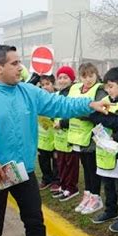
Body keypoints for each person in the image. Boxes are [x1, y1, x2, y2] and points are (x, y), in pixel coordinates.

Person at [0, 45, 109, 236]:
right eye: (13, 63)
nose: (20, 67)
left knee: (34, 220)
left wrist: (91, 104)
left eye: (19, 62)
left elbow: (60, 105)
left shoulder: (29, 92)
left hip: (23, 171)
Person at [89, 67, 118, 232]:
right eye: (106, 87)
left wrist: (97, 115)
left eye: (110, 86)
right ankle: (110, 210)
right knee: (107, 182)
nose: (108, 90)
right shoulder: (108, 99)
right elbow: (98, 117)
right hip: (105, 149)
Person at [68, 63, 107, 210]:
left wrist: (77, 112)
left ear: (96, 75)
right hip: (78, 135)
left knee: (92, 168)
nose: (88, 79)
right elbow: (69, 105)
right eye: (84, 76)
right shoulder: (76, 89)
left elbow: (97, 112)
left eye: (91, 75)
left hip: (92, 137)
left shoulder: (100, 90)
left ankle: (96, 197)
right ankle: (88, 194)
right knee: (85, 166)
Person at [51, 67, 78, 200]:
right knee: (60, 162)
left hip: (70, 134)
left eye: (65, 77)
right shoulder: (56, 95)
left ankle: (71, 187)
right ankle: (63, 185)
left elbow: (75, 114)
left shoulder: (73, 95)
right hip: (58, 136)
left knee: (70, 163)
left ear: (72, 80)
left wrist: (62, 123)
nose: (62, 80)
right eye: (60, 77)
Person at [37, 74, 60, 191]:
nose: (45, 87)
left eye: (47, 84)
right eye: (42, 85)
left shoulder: (57, 97)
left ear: (53, 84)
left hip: (56, 135)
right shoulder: (38, 98)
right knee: (43, 160)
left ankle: (57, 180)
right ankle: (46, 179)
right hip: (42, 136)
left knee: (56, 160)